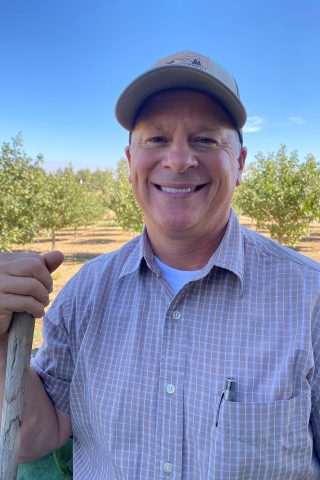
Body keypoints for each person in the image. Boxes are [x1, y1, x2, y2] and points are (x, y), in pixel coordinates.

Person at [0, 50, 320, 479]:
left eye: (205, 139)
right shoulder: (84, 294)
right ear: (131, 161)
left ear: (239, 164)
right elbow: (33, 438)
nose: (178, 159)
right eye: (156, 139)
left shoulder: (308, 298)